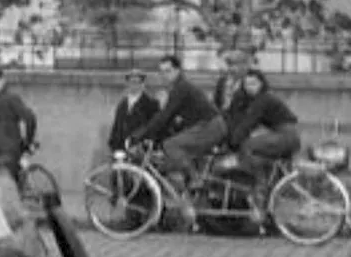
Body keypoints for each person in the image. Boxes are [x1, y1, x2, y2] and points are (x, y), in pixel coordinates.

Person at [134, 54, 224, 187]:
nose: (164, 75)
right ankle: (186, 187)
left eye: (168, 71)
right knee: (172, 150)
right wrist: (152, 135)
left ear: (178, 70)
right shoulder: (178, 87)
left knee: (171, 145)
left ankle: (195, 179)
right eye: (162, 72)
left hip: (210, 127)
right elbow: (169, 118)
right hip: (208, 126)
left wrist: (139, 136)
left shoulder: (181, 88)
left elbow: (164, 116)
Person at [225, 69, 302, 173]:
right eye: (246, 84)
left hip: (285, 136)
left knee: (247, 146)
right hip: (289, 136)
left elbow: (248, 123)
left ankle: (257, 182)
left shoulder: (263, 100)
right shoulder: (263, 98)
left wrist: (233, 142)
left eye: (253, 84)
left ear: (261, 84)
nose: (249, 87)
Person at [0, 65, 38, 181]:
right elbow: (1, 122)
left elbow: (30, 118)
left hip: (8, 153)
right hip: (0, 151)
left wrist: (28, 142)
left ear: (3, 81)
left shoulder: (10, 98)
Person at [107, 68, 160, 156]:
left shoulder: (151, 103)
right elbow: (116, 127)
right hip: (121, 150)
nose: (134, 85)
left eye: (137, 82)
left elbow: (154, 127)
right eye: (131, 82)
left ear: (143, 84)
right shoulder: (122, 104)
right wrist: (113, 145)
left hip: (140, 150)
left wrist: (143, 145)